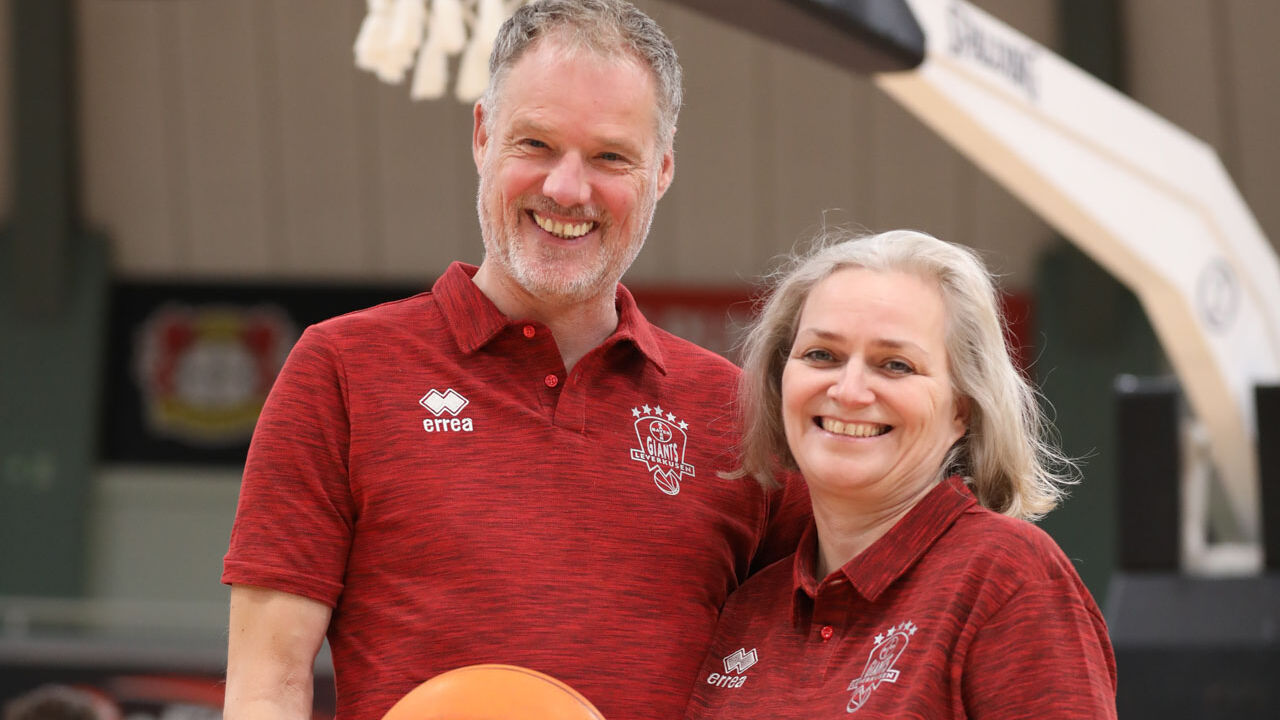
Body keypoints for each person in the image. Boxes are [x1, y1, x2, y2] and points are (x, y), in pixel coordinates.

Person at [221, 2, 807, 719]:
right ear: (482, 136)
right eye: (536, 143)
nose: (566, 189)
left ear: (661, 169)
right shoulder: (343, 369)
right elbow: (266, 686)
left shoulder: (738, 413)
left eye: (610, 157)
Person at [684, 229, 1117, 718]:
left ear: (962, 408)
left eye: (895, 365)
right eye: (822, 355)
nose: (849, 391)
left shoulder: (1007, 579)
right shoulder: (749, 611)